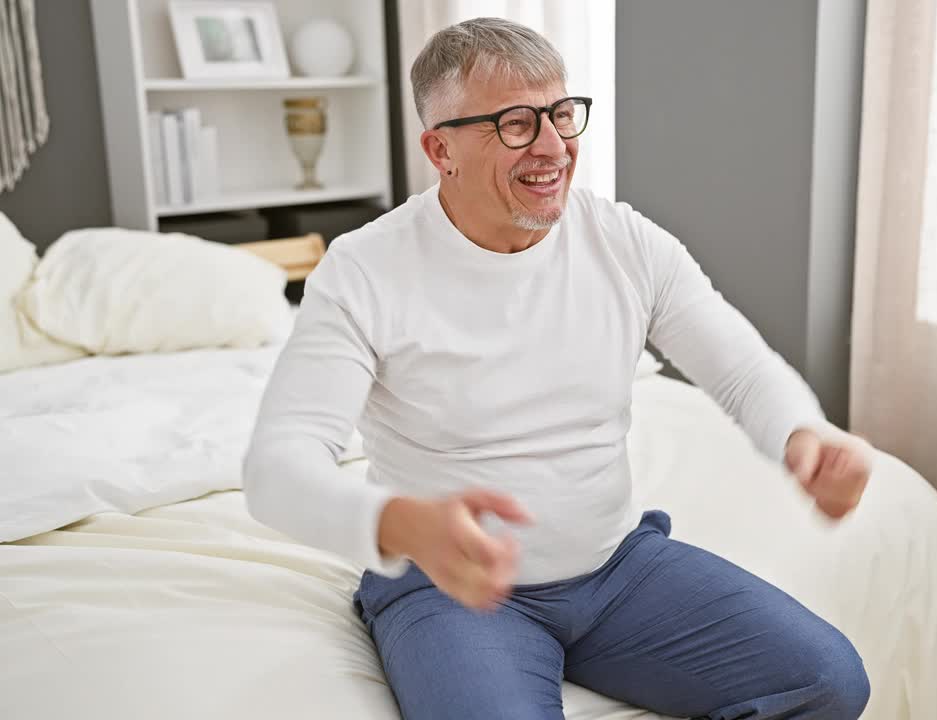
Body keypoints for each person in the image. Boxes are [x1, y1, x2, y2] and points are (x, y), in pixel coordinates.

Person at [244, 16, 874, 720]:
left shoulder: (624, 241)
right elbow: (277, 466)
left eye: (561, 114)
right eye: (516, 123)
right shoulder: (365, 270)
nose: (553, 147)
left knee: (828, 680)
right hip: (448, 589)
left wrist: (802, 435)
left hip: (618, 571)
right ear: (440, 149)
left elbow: (739, 367)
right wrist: (399, 523)